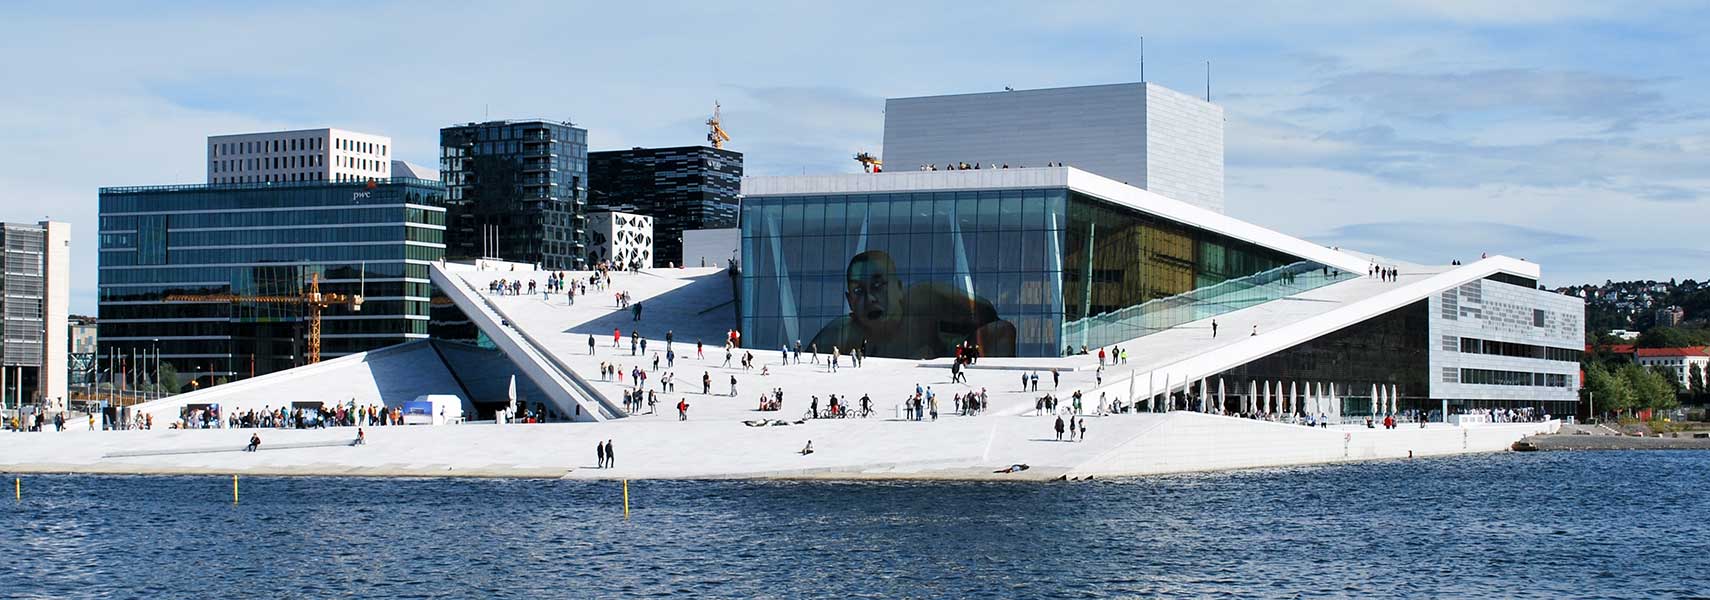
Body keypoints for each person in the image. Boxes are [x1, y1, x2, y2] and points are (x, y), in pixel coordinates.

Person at [810, 250, 1017, 358]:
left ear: (899, 288)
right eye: (858, 291)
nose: (870, 298)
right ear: (849, 302)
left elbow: (987, 312)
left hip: (950, 358)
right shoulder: (843, 332)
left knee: (1001, 331)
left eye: (878, 285)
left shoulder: (925, 299)